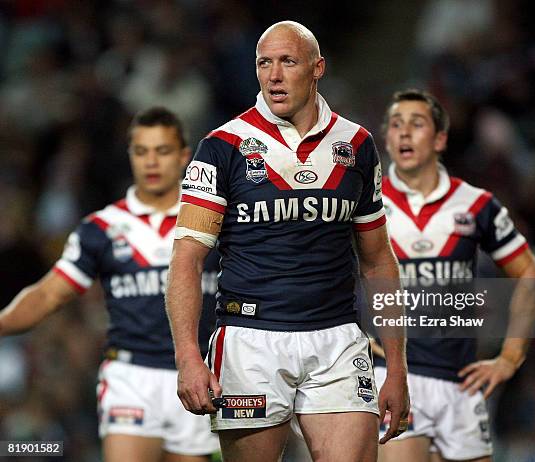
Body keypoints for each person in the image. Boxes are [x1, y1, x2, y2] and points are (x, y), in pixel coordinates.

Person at [165, 21, 409, 462]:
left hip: (338, 341)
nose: (274, 75)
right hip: (249, 344)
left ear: (318, 69)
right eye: (264, 63)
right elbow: (187, 259)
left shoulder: (357, 145)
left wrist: (397, 367)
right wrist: (187, 357)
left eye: (287, 62)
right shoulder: (222, 147)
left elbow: (377, 260)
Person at [0, 107, 220, 462]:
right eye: (141, 151)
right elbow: (49, 293)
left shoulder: (216, 222)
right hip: (131, 375)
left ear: (183, 157)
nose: (151, 161)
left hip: (199, 372)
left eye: (162, 151)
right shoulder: (100, 228)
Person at [374, 88, 535, 462]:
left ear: (440, 139)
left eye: (416, 124)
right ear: (386, 138)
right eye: (396, 125)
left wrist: (509, 357)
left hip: (461, 381)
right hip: (394, 377)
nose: (404, 133)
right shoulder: (365, 204)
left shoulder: (477, 204)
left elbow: (530, 276)